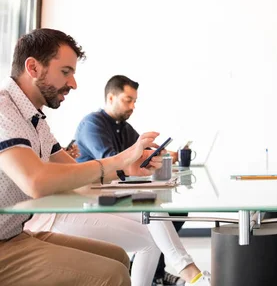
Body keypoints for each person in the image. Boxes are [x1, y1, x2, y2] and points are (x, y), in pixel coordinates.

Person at [0, 28, 162, 285]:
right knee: (113, 274)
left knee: (119, 257)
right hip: (3, 246)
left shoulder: (35, 119)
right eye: (65, 72)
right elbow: (36, 181)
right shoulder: (3, 110)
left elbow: (79, 176)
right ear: (32, 67)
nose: (73, 84)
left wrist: (126, 170)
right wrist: (122, 159)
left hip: (15, 234)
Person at [27, 75, 206, 286]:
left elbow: (127, 160)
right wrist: (129, 161)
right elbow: (108, 159)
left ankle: (189, 272)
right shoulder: (92, 124)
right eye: (128, 100)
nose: (132, 106)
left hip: (97, 193)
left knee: (152, 206)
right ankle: (192, 275)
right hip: (85, 200)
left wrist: (151, 157)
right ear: (111, 98)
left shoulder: (122, 127)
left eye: (134, 101)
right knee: (152, 228)